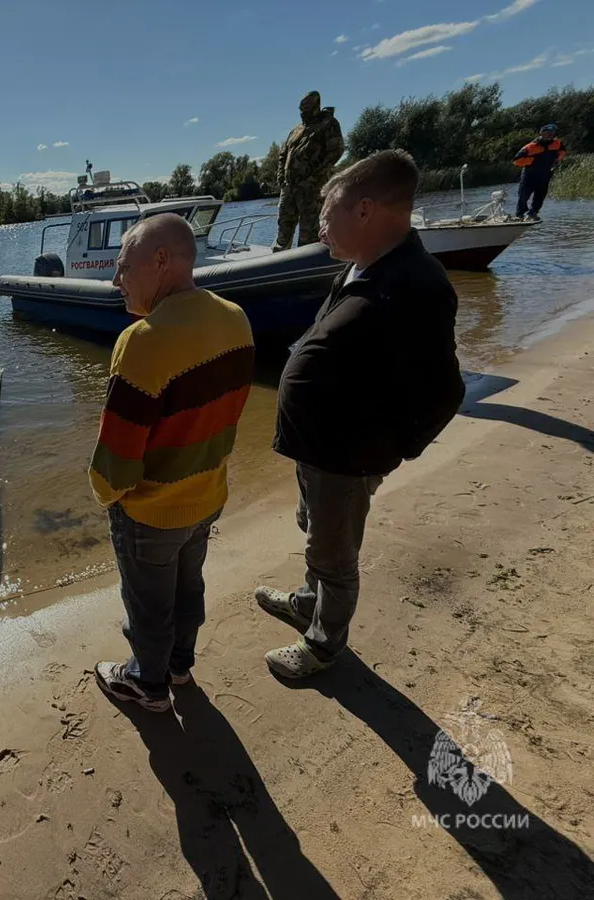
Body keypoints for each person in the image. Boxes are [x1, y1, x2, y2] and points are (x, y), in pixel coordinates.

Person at [257, 149, 465, 679]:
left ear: (366, 210)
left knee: (336, 553)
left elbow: (442, 391)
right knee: (317, 533)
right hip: (320, 449)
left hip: (347, 456)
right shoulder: (362, 266)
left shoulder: (417, 285)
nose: (321, 220)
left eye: (329, 209)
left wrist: (388, 451)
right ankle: (308, 600)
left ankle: (325, 645)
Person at [89, 213, 255, 712]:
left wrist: (106, 496)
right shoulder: (236, 318)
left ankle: (149, 683)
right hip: (207, 495)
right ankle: (181, 666)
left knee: (149, 605)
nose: (116, 280)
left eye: (123, 266)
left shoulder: (143, 341)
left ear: (160, 260)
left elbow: (116, 459)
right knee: (188, 587)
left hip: (151, 511)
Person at [273, 91, 344, 252]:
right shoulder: (296, 130)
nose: (302, 112)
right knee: (284, 225)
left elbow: (336, 151)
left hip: (311, 188)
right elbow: (283, 154)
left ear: (316, 107)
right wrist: (281, 179)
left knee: (309, 230)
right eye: (301, 109)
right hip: (289, 188)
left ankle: (307, 263)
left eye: (306, 108)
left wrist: (314, 177)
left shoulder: (328, 124)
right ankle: (279, 261)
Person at [514, 123, 566, 220]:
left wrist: (558, 159)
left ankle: (533, 213)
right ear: (542, 133)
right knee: (524, 195)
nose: (551, 134)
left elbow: (562, 151)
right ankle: (520, 214)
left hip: (545, 174)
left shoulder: (557, 143)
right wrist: (532, 160)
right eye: (548, 132)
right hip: (529, 174)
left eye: (552, 132)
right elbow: (516, 161)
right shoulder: (530, 147)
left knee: (540, 195)